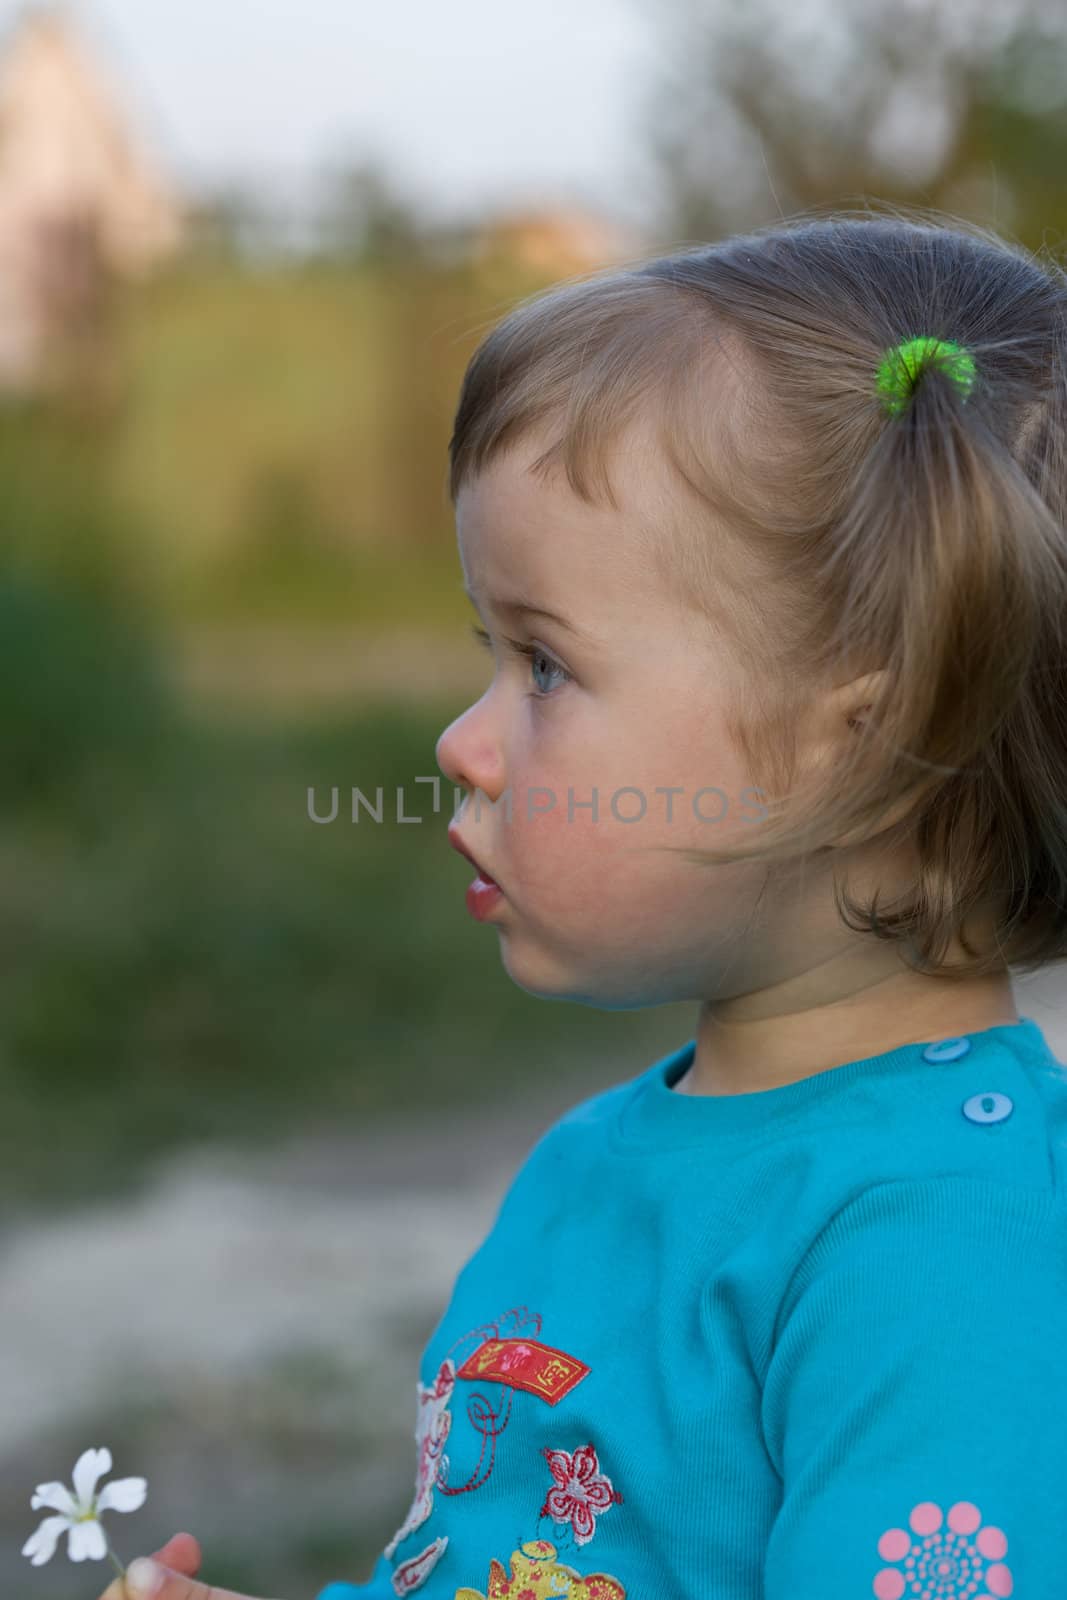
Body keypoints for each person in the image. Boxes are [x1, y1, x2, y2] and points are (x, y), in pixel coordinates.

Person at [101, 205, 1067, 1600]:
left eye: (544, 666)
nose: (462, 741)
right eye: (488, 650)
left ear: (860, 756)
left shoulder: (941, 1254)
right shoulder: (608, 1156)